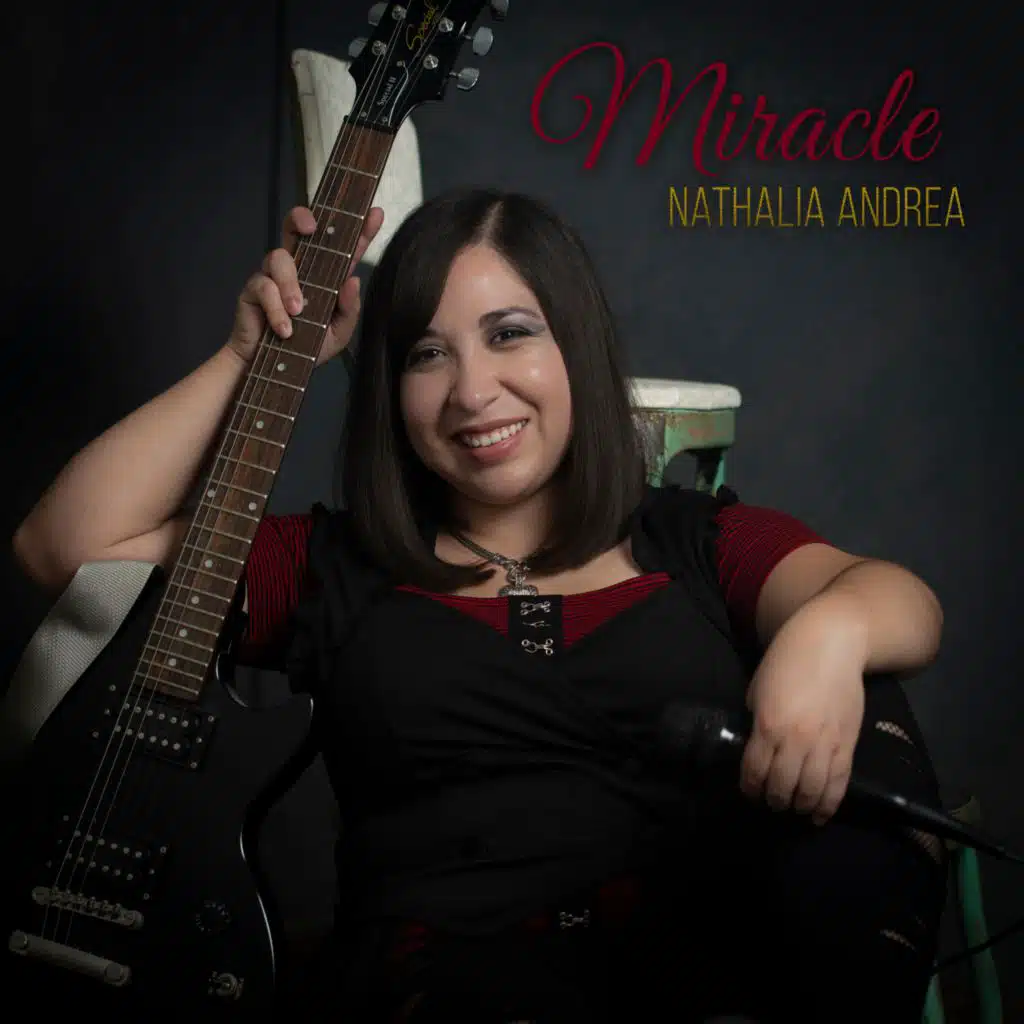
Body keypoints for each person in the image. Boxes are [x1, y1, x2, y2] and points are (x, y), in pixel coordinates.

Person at [12, 187, 948, 1023]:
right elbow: (64, 551)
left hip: (693, 974)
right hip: (440, 989)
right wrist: (247, 357)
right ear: (392, 389)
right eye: (428, 353)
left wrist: (829, 634)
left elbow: (903, 603)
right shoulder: (335, 564)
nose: (471, 390)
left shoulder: (693, 542)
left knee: (870, 712)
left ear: (574, 344)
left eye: (510, 334)